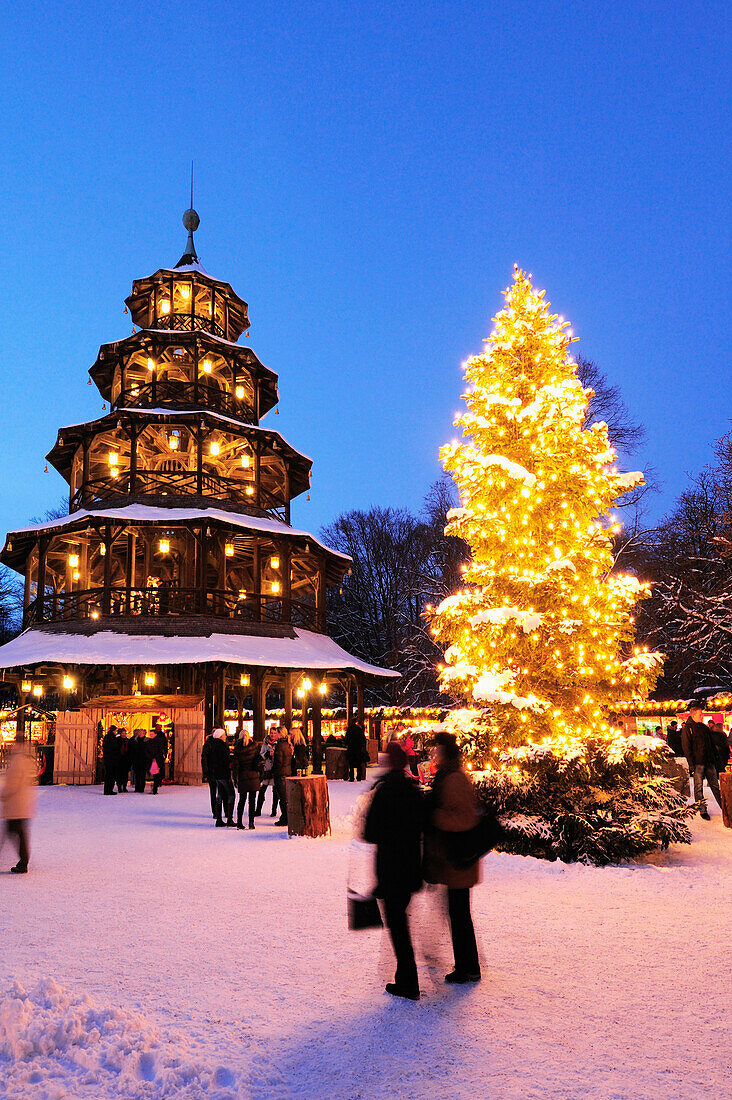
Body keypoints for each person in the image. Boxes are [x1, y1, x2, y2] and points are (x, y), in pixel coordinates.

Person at [363, 740, 423, 1000]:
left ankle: (408, 983)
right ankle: (406, 978)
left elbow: (370, 832)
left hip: (390, 869)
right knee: (400, 924)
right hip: (409, 868)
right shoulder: (413, 790)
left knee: (398, 927)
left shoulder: (384, 791)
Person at [423, 731, 482, 984]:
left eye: (437, 750)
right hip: (454, 860)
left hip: (459, 859)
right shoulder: (449, 776)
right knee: (457, 914)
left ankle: (468, 968)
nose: (434, 754)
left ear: (446, 752)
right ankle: (467, 965)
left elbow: (462, 818)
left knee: (459, 916)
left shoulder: (454, 779)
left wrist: (435, 815)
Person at [1, 733, 37, 874]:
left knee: (12, 831)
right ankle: (23, 862)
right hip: (22, 803)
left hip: (15, 803)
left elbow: (13, 783)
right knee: (18, 832)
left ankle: (23, 863)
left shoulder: (17, 760)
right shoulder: (26, 758)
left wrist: (4, 795)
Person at [681, 705, 723, 820]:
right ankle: (702, 810)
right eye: (700, 714)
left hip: (709, 761)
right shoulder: (688, 729)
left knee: (715, 786)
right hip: (698, 763)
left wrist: (715, 757)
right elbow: (686, 748)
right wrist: (692, 764)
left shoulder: (704, 728)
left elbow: (711, 744)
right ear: (693, 715)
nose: (702, 716)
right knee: (698, 787)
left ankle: (725, 808)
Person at [232, 730, 261, 830]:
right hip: (253, 776)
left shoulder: (237, 749)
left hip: (243, 776)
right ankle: (251, 823)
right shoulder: (255, 747)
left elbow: (235, 766)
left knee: (242, 800)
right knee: (252, 801)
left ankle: (239, 822)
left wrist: (235, 778)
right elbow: (258, 761)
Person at [208, 728, 235, 827]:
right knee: (231, 794)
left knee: (220, 794)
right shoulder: (222, 747)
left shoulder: (213, 745)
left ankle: (218, 818)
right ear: (220, 736)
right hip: (224, 774)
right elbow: (226, 760)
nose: (225, 737)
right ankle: (229, 818)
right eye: (224, 735)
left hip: (217, 774)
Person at [255, 727, 279, 817]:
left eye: (274, 733)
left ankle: (274, 810)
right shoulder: (265, 743)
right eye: (271, 733)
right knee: (262, 790)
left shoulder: (278, 743)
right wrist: (267, 754)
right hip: (266, 769)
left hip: (275, 769)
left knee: (275, 791)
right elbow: (261, 754)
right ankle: (258, 810)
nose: (272, 735)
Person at [273, 729, 294, 826]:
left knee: (282, 797)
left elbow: (279, 762)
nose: (275, 735)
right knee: (285, 797)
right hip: (287, 771)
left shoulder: (280, 746)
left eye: (276, 733)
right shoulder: (287, 745)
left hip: (280, 773)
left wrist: (274, 771)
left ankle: (285, 818)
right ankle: (286, 816)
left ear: (280, 734)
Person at [345, 717, 367, 782]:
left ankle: (351, 777)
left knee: (351, 764)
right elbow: (363, 739)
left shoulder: (349, 729)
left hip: (351, 748)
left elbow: (346, 739)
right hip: (358, 749)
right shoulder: (359, 729)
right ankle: (359, 777)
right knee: (359, 763)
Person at [201, 730, 217, 818]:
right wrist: (206, 772)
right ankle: (215, 812)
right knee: (214, 792)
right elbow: (204, 759)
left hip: (216, 771)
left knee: (218, 792)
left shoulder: (220, 743)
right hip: (212, 771)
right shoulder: (209, 744)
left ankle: (220, 812)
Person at [148, 724, 167, 795]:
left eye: (152, 734)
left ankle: (155, 789)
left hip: (157, 759)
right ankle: (153, 788)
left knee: (156, 774)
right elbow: (146, 751)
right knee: (152, 773)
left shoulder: (159, 741)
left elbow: (160, 750)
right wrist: (150, 756)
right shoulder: (148, 742)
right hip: (151, 759)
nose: (151, 735)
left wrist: (155, 757)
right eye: (150, 734)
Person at [102, 725, 119, 796]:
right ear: (114, 731)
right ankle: (109, 790)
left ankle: (107, 790)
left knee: (108, 775)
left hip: (107, 759)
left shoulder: (106, 737)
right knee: (111, 775)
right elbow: (114, 748)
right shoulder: (112, 738)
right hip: (112, 760)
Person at [116, 728, 130, 792]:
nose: (124, 735)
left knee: (125, 774)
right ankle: (119, 786)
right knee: (119, 774)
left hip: (126, 759)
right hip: (119, 760)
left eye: (125, 733)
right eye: (122, 733)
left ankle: (124, 786)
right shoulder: (117, 740)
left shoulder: (128, 741)